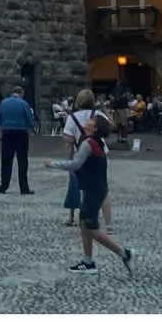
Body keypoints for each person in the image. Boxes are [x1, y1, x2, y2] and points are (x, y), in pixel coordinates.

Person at [53, 112, 132, 276]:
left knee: (90, 228)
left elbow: (75, 164)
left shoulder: (88, 143)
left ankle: (124, 253)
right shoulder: (98, 142)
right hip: (96, 187)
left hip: (93, 190)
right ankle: (88, 262)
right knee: (84, 224)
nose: (87, 121)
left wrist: (53, 164)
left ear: (94, 128)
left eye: (91, 120)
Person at [62, 88, 98, 228]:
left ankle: (71, 216)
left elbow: (69, 142)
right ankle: (90, 214)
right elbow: (109, 128)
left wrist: (68, 160)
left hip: (78, 154)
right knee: (94, 185)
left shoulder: (72, 118)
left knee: (74, 185)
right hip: (95, 154)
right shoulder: (97, 115)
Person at [0, 83, 38, 194]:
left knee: (6, 160)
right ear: (21, 94)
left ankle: (3, 186)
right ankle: (24, 188)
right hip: (21, 132)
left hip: (7, 132)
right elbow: (29, 119)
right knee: (22, 160)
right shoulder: (24, 104)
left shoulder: (3, 103)